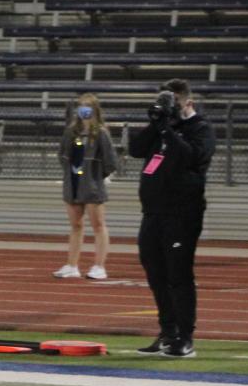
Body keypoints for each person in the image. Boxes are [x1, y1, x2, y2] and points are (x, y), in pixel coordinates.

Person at [127, 78, 214, 359]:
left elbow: (191, 156)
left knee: (179, 275)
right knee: (155, 273)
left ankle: (185, 337)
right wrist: (157, 123)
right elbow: (136, 149)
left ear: (188, 103)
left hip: (182, 213)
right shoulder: (163, 126)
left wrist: (168, 130)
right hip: (153, 211)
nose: (171, 108)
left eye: (174, 103)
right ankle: (168, 331)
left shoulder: (200, 128)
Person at [53, 94, 118, 281]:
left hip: (92, 185)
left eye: (88, 106)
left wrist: (96, 177)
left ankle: (99, 266)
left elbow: (110, 161)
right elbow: (62, 155)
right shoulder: (70, 132)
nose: (84, 110)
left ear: (95, 109)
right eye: (81, 106)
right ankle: (72, 265)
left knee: (98, 225)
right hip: (72, 184)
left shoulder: (101, 133)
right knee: (76, 225)